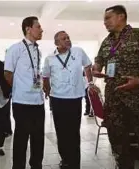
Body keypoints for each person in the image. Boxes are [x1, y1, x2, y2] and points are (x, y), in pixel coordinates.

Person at [92, 5, 139, 169]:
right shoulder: (107, 41)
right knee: (119, 143)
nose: (104, 22)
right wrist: (96, 68)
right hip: (115, 101)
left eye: (107, 18)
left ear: (121, 17)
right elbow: (99, 59)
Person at [42, 31, 94, 169]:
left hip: (75, 98)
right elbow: (45, 77)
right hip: (58, 99)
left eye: (68, 37)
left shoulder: (78, 51)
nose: (67, 40)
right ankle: (65, 159)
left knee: (74, 132)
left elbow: (88, 65)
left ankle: (75, 163)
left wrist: (91, 82)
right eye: (64, 39)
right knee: (61, 131)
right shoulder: (50, 58)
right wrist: (47, 90)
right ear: (57, 43)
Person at [4, 16, 45, 169]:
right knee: (21, 138)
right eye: (38, 27)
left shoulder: (38, 51)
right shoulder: (15, 49)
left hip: (38, 101)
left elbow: (35, 73)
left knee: (38, 138)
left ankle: (36, 165)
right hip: (22, 102)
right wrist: (21, 88)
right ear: (28, 29)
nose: (41, 30)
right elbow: (8, 74)